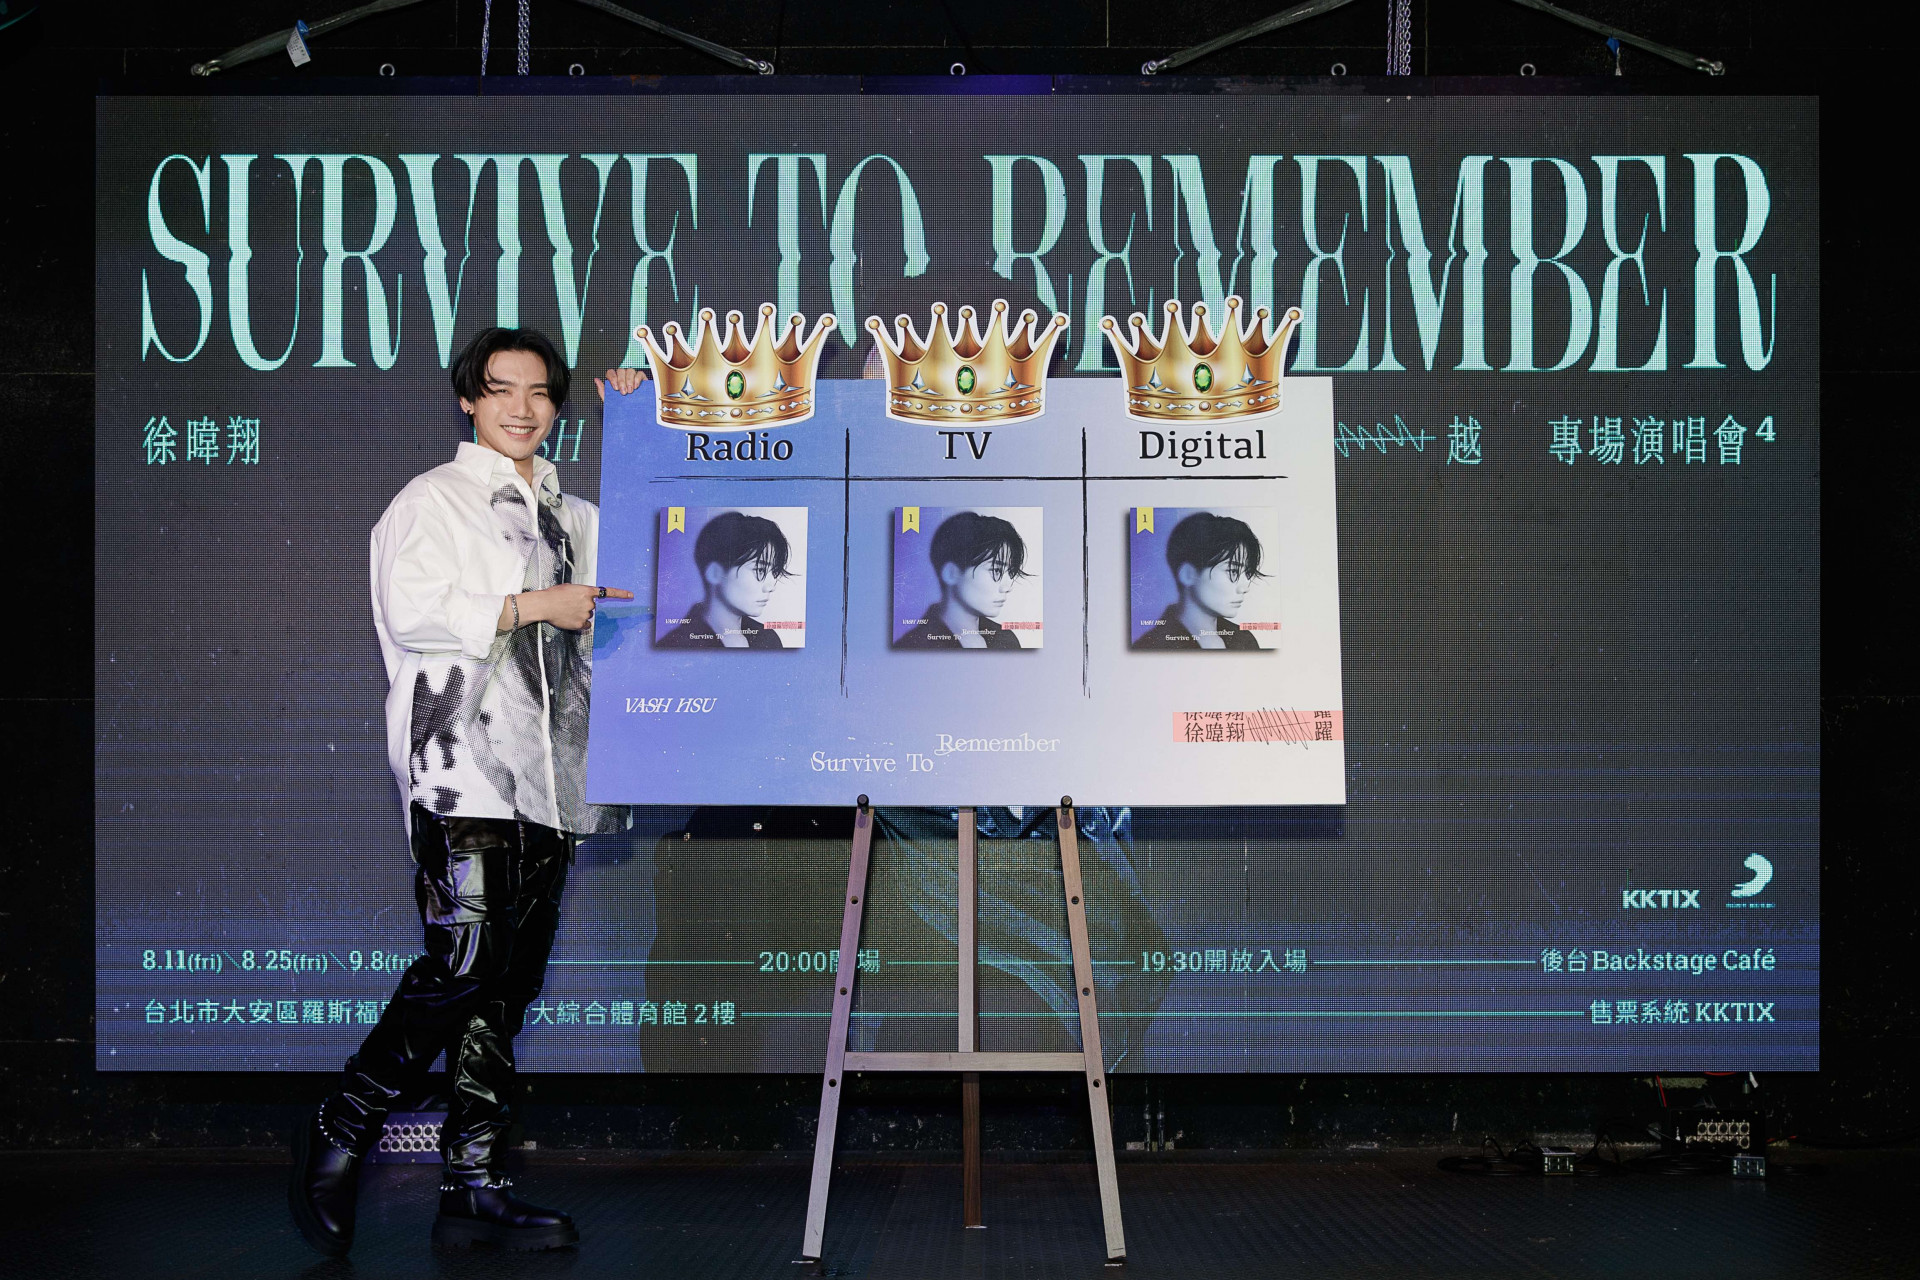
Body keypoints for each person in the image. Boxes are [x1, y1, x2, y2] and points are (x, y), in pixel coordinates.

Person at [288, 327, 647, 1257]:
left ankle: (474, 1182)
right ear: (469, 399)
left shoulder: (577, 515)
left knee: (506, 986)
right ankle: (342, 1124)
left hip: (555, 778)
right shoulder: (431, 500)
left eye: (540, 393)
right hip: (459, 769)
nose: (523, 409)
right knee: (466, 958)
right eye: (501, 390)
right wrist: (530, 606)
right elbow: (413, 613)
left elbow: (657, 559)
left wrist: (642, 424)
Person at [655, 511, 795, 649]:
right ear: (715, 573)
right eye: (760, 570)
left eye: (774, 572)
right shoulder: (674, 647)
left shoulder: (769, 639)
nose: (771, 586)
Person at [1132, 511, 1268, 650]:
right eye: (1233, 571)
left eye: (1247, 573)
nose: (1245, 587)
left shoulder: (1245, 640)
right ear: (1188, 574)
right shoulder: (1150, 648)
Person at [895, 510, 1031, 649]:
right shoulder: (912, 647)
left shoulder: (1007, 640)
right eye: (996, 570)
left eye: (1010, 572)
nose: (1007, 587)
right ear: (951, 573)